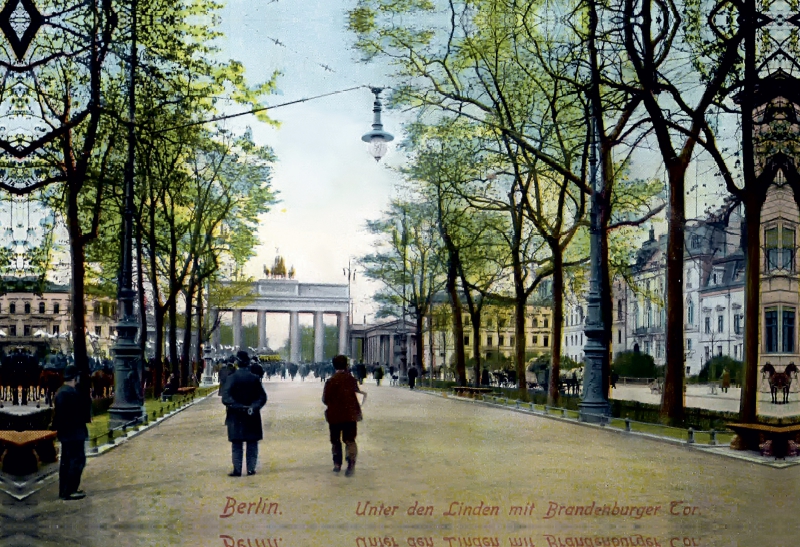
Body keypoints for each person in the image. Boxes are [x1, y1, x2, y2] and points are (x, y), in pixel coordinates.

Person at [222, 351, 268, 476]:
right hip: (252, 415)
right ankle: (251, 469)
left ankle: (237, 469)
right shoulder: (254, 378)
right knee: (252, 443)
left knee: (237, 444)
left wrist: (238, 406)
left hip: (236, 415)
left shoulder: (232, 378)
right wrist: (253, 407)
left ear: (237, 363)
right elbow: (262, 397)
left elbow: (226, 397)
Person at [322, 355, 366, 476]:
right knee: (350, 440)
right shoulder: (351, 380)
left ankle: (337, 464)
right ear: (346, 365)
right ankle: (351, 463)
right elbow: (358, 395)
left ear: (334, 366)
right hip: (350, 415)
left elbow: (325, 399)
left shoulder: (331, 381)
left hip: (335, 415)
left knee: (335, 440)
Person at [53, 365, 91, 501]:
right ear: (75, 378)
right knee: (77, 461)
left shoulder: (62, 392)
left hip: (68, 434)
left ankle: (65, 490)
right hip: (73, 433)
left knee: (67, 462)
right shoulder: (68, 393)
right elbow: (74, 415)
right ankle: (70, 490)